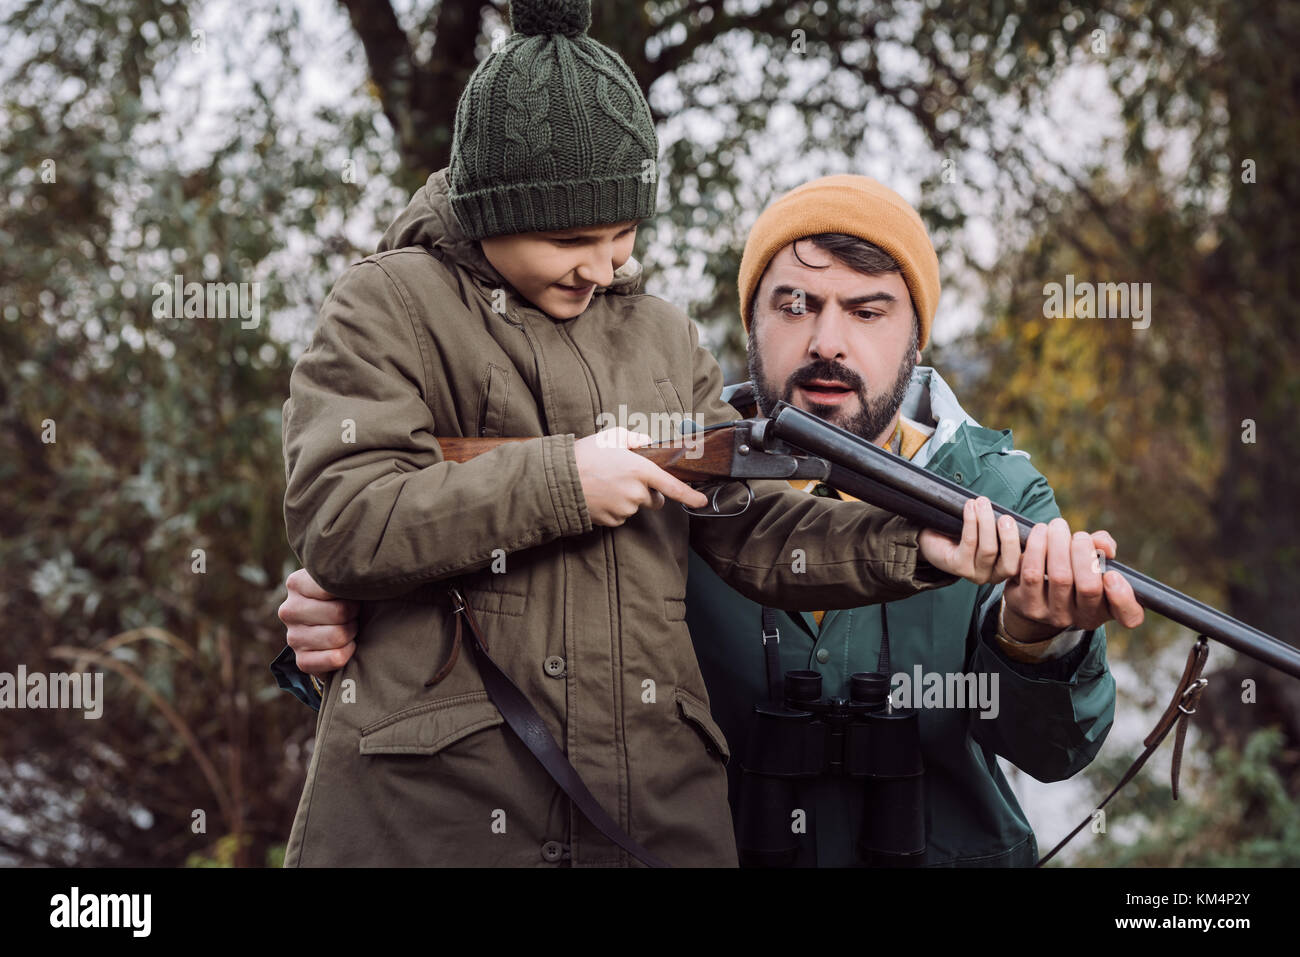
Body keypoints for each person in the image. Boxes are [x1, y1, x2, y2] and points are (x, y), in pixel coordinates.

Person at [277, 0, 1023, 868]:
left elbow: (748, 531)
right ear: (489, 209)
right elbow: (343, 520)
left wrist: (919, 549)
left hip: (651, 811)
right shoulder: (387, 306)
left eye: (623, 235)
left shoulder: (665, 337)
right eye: (570, 239)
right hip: (435, 815)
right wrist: (566, 480)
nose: (602, 266)